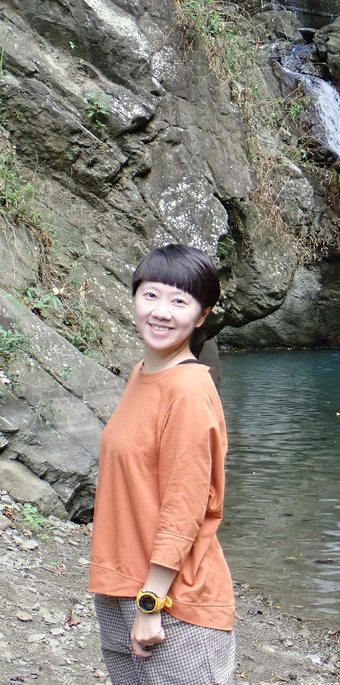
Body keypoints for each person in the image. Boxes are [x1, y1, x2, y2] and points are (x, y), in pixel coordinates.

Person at [88, 244, 235, 684]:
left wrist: (151, 602)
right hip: (120, 587)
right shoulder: (143, 373)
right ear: (134, 297)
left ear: (202, 315)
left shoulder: (188, 391)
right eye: (151, 295)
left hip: (174, 602)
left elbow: (185, 506)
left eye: (179, 301)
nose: (161, 312)